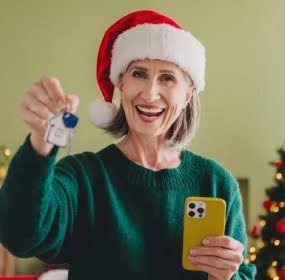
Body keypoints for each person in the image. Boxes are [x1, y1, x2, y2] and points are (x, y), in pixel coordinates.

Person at [0, 9, 256, 280]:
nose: (150, 93)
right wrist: (41, 141)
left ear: (188, 93)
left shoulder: (217, 183)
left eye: (167, 78)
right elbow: (19, 235)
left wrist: (227, 277)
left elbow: (243, 275)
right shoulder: (83, 176)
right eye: (139, 74)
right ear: (120, 82)